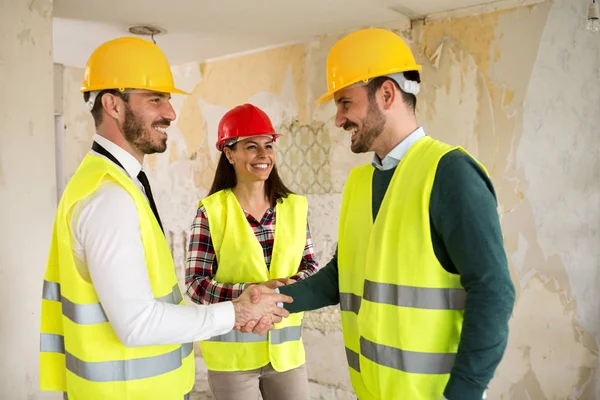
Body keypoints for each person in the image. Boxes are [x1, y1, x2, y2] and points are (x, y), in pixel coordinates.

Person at [251, 28, 516, 400]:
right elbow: (342, 276)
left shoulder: (450, 173)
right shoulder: (361, 182)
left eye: (345, 103)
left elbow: (493, 290)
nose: (339, 119)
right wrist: (278, 299)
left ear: (387, 93)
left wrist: (463, 393)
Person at [38, 37, 292, 400]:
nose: (171, 113)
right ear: (112, 104)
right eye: (155, 99)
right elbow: (138, 324)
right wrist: (234, 312)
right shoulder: (109, 197)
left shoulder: (116, 184)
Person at [185, 103, 318, 400]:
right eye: (251, 146)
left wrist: (288, 286)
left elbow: (309, 265)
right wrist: (253, 292)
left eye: (268, 146)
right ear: (229, 154)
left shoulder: (296, 207)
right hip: (232, 360)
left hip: (287, 355)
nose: (263, 155)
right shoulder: (211, 212)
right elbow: (196, 285)